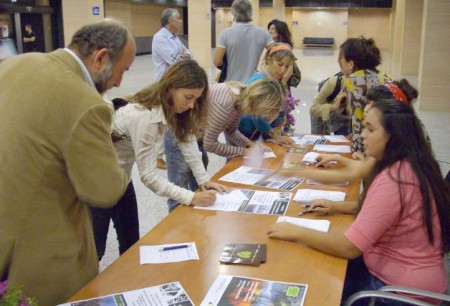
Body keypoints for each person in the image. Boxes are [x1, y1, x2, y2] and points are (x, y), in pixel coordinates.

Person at [0, 19, 135, 305]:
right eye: (122, 71)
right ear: (100, 58)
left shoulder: (14, 64)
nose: (120, 82)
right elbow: (104, 191)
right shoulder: (88, 103)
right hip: (39, 258)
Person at [268, 99, 450, 305]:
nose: (362, 135)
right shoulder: (411, 163)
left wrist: (295, 231)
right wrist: (335, 204)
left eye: (370, 129)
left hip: (397, 293)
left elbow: (349, 247)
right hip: (407, 279)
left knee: (317, 285)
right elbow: (380, 208)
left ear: (393, 137)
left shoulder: (395, 179)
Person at [92, 60, 229, 242]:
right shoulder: (146, 116)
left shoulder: (170, 107)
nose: (191, 105)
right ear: (170, 87)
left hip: (121, 178)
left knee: (131, 241)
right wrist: (191, 197)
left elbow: (187, 141)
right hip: (97, 183)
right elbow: (148, 176)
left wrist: (204, 180)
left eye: (196, 99)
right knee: (95, 248)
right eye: (188, 97)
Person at [204, 78, 285, 158]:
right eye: (263, 111)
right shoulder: (226, 104)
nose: (259, 115)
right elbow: (208, 144)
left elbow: (231, 131)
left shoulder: (239, 99)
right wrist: (244, 151)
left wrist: (252, 145)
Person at [339, 36, 393, 153]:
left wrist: (357, 151)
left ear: (351, 64)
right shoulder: (383, 76)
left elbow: (359, 120)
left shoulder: (355, 80)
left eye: (341, 59)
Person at [152, 8, 190, 169]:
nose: (181, 21)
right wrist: (183, 56)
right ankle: (157, 156)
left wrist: (184, 55)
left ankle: (170, 149)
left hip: (176, 82)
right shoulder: (160, 38)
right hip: (165, 83)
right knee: (162, 119)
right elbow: (173, 60)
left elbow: (189, 53)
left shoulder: (175, 38)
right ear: (169, 21)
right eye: (178, 19)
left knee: (171, 118)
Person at [238, 43, 295, 146]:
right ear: (269, 60)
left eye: (286, 66)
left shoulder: (274, 79)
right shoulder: (259, 81)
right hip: (245, 131)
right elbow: (257, 114)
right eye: (280, 64)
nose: (283, 70)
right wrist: (273, 135)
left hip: (258, 129)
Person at [214, 0, 273, 83]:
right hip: (252, 84)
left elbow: (217, 62)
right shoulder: (263, 33)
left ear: (233, 12)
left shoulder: (225, 33)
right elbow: (277, 53)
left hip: (230, 84)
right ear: (251, 12)